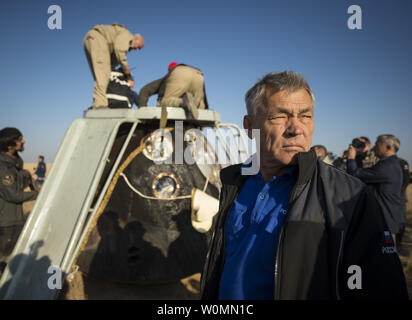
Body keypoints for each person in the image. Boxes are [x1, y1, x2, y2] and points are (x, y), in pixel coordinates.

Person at [200, 71, 408, 300]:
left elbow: (381, 288)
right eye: (279, 116)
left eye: (305, 116)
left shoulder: (350, 197)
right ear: (249, 126)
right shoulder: (234, 183)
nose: (296, 129)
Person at [0, 128, 38, 274]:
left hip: (15, 218)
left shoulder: (14, 164)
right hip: (6, 222)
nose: (23, 141)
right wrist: (37, 195)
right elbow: (12, 195)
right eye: (20, 139)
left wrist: (25, 175)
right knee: (5, 259)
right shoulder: (4, 168)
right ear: (9, 146)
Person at [83, 23, 145, 109]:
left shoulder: (119, 39)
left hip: (91, 40)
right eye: (139, 46)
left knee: (101, 75)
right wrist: (126, 70)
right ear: (136, 39)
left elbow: (111, 64)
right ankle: (100, 105)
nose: (137, 50)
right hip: (98, 39)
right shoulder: (127, 35)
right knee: (103, 75)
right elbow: (119, 50)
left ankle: (98, 102)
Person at [138, 62, 209, 123]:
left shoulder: (168, 78)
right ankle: (194, 105)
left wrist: (143, 112)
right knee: (197, 103)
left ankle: (183, 102)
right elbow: (204, 98)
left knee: (163, 102)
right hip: (198, 74)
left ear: (170, 71)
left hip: (181, 73)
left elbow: (144, 90)